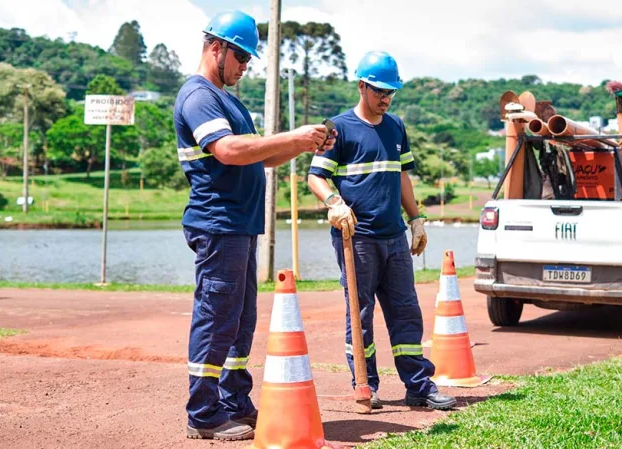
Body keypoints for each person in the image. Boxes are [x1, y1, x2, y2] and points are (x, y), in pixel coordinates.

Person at [174, 10, 337, 441]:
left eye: (248, 60)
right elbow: (228, 150)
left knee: (240, 320)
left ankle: (233, 401)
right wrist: (293, 137)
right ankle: (203, 414)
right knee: (216, 317)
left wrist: (303, 145)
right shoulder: (198, 97)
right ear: (216, 48)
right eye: (241, 57)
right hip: (219, 224)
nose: (245, 67)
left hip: (240, 227)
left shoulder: (228, 100)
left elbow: (260, 155)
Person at [307, 50, 456, 411]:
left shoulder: (395, 126)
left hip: (393, 238)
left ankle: (418, 387)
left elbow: (402, 175)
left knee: (406, 312)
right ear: (361, 86)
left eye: (391, 92)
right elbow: (316, 176)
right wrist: (334, 203)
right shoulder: (339, 128)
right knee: (359, 314)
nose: (386, 98)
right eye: (379, 91)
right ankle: (365, 384)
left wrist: (416, 218)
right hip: (356, 239)